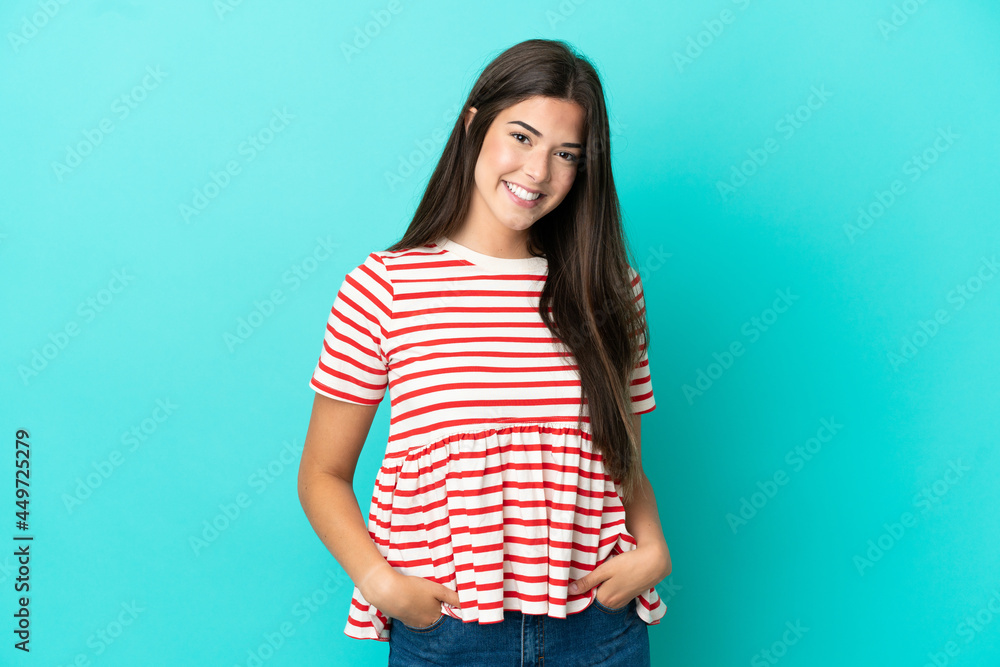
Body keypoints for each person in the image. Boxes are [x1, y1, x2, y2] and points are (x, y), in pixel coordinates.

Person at [297, 38, 671, 666]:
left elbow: (623, 459)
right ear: (474, 126)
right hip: (449, 633)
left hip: (598, 631)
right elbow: (322, 475)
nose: (537, 172)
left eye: (565, 154)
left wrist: (654, 548)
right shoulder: (384, 287)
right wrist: (381, 584)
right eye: (521, 138)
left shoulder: (611, 291)